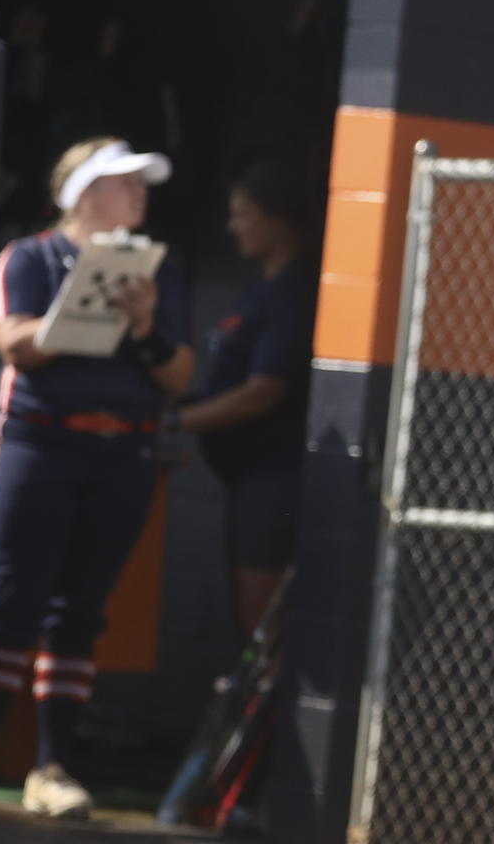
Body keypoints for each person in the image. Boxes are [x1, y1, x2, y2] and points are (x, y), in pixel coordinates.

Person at [0, 137, 193, 820]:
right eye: (124, 182)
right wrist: (82, 309)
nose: (139, 193)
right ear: (83, 193)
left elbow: (179, 376)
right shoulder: (30, 257)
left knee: (79, 614)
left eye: (142, 183)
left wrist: (142, 324)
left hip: (124, 454)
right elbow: (13, 344)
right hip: (39, 446)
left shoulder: (155, 268)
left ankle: (51, 770)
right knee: (13, 604)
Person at [165, 160, 314, 638]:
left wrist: (173, 421)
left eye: (243, 214)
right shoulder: (261, 290)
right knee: (245, 619)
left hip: (276, 481)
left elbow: (262, 393)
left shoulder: (294, 294)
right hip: (246, 481)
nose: (232, 227)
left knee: (263, 623)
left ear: (279, 217)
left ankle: (267, 709)